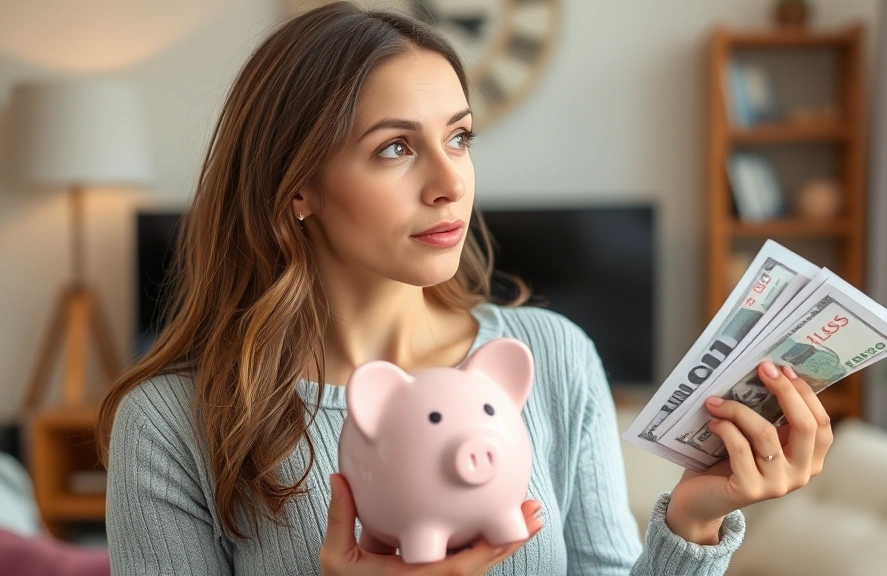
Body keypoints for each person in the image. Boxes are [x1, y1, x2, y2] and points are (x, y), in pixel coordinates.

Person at [97, 3, 834, 575]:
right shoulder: (172, 421)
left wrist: (694, 523)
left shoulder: (550, 356)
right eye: (395, 148)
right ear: (298, 189)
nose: (451, 184)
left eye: (459, 137)